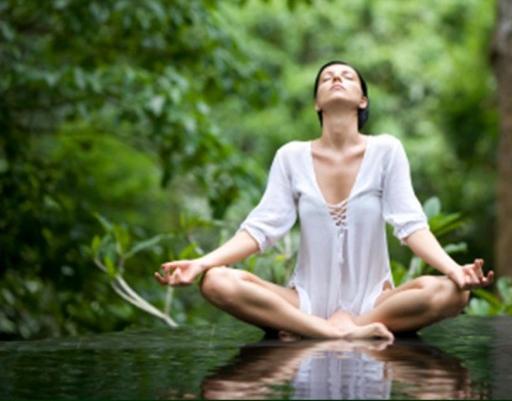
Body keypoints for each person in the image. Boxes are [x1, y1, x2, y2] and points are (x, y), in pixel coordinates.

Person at [155, 61, 494, 341]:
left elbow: (411, 226)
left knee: (454, 293)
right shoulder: (291, 156)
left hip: (374, 302)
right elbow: (261, 230)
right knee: (216, 281)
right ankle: (332, 332)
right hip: (304, 302)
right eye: (326, 77)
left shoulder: (386, 150)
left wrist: (454, 270)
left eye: (348, 76)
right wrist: (201, 263)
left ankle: (345, 326)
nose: (336, 78)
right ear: (317, 103)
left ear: (362, 100)